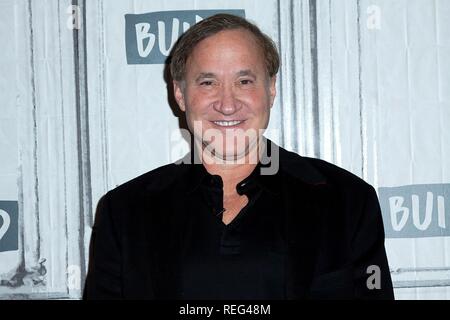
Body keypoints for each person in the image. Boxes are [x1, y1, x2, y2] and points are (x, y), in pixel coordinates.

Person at [83, 13, 394, 300]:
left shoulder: (347, 200)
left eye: (244, 81)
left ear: (271, 88)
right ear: (180, 93)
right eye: (208, 83)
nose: (227, 104)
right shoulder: (124, 212)